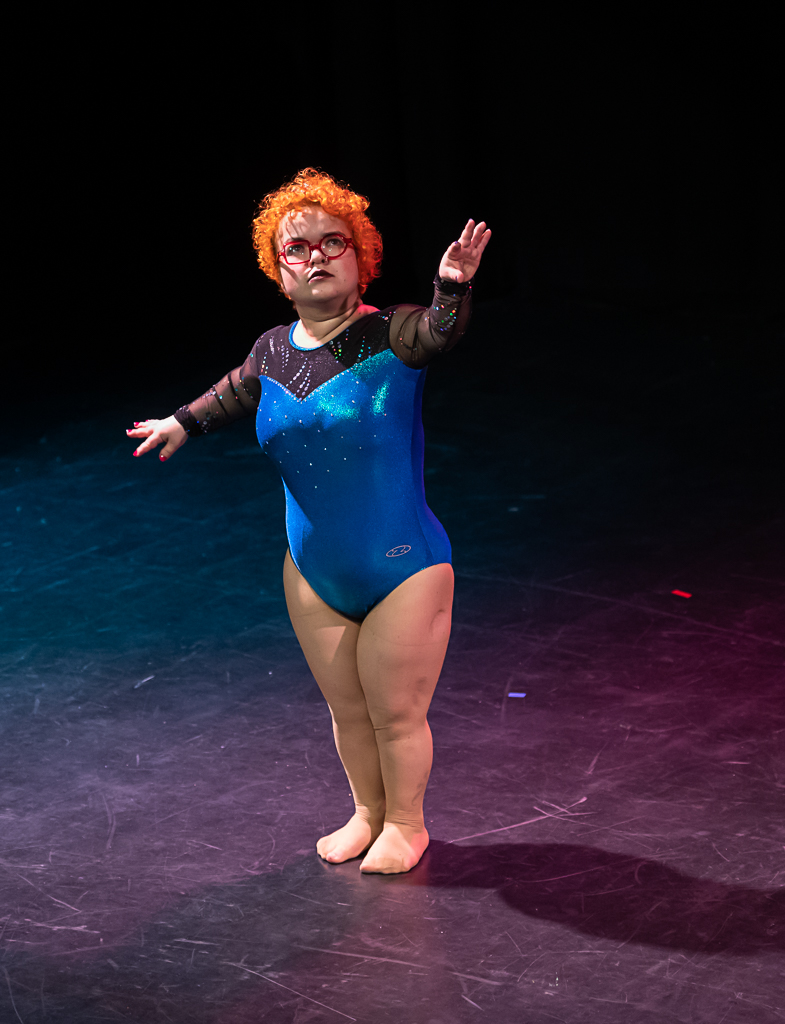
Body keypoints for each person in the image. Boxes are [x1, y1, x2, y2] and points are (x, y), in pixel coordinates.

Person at [127, 168, 490, 874]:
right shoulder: (271, 349)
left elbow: (439, 334)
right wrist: (181, 422)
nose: (316, 255)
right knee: (348, 713)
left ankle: (406, 826)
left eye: (334, 242)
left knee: (393, 713)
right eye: (298, 248)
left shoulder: (392, 337)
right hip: (312, 574)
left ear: (362, 257)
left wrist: (452, 287)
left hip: (401, 568)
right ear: (277, 270)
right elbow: (236, 392)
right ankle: (366, 814)